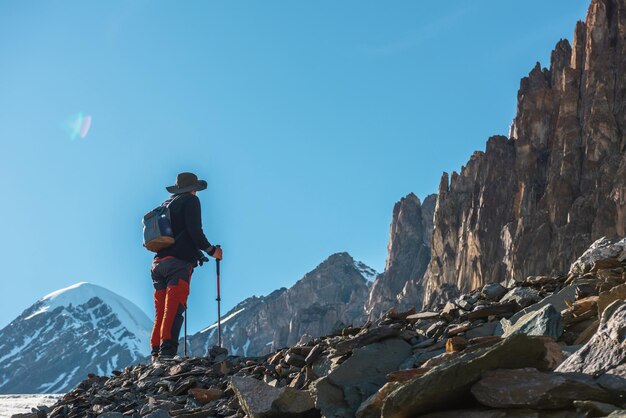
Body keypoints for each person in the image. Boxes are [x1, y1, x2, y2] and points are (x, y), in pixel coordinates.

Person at [150, 172, 223, 361]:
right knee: (174, 308)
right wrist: (211, 250)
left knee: (161, 310)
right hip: (177, 266)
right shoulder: (191, 201)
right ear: (193, 189)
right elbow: (194, 231)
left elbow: (179, 236)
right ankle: (166, 354)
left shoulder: (167, 204)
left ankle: (155, 353)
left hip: (158, 264)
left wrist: (196, 255)